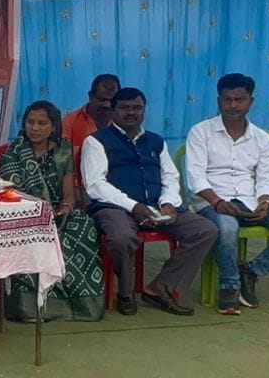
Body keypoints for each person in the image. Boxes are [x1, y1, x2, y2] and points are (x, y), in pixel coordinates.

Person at [184, 74, 269, 315]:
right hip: (212, 201)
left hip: (250, 201)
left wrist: (265, 201)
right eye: (227, 99)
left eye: (239, 99)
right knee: (227, 228)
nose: (233, 105)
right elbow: (195, 175)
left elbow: (268, 176)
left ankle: (251, 271)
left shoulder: (261, 138)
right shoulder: (200, 132)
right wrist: (217, 201)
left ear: (250, 101)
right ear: (219, 100)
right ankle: (230, 287)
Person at [82, 87, 217, 316]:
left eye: (137, 108)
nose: (131, 112)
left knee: (206, 229)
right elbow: (95, 185)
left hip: (156, 206)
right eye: (124, 108)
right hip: (115, 208)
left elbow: (170, 176)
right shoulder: (96, 141)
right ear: (113, 110)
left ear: (144, 111)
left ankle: (160, 288)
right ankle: (125, 293)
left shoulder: (155, 141)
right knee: (122, 237)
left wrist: (168, 203)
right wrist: (133, 206)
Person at [0, 100, 105, 321]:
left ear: (54, 126)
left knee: (84, 226)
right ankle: (29, 307)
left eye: (42, 123)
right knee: (35, 234)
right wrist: (41, 214)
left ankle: (81, 306)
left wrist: (66, 208)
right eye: (30, 122)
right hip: (23, 213)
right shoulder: (13, 152)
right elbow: (11, 194)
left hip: (56, 211)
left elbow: (69, 194)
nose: (34, 128)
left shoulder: (63, 150)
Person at [63, 74, 120, 169]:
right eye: (101, 100)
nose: (107, 105)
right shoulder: (70, 121)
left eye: (112, 101)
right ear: (90, 96)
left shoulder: (123, 123)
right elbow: (62, 159)